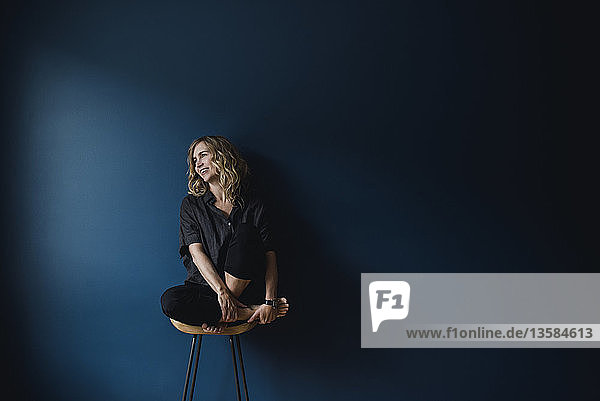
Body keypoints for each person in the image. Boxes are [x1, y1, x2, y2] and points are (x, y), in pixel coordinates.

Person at [161, 136, 289, 333]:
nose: (198, 164)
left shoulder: (252, 204)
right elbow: (196, 253)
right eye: (194, 160)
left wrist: (270, 300)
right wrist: (222, 293)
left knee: (246, 232)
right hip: (207, 290)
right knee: (170, 301)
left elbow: (269, 254)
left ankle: (224, 313)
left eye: (203, 155)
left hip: (245, 291)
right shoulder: (191, 205)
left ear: (222, 157)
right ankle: (243, 313)